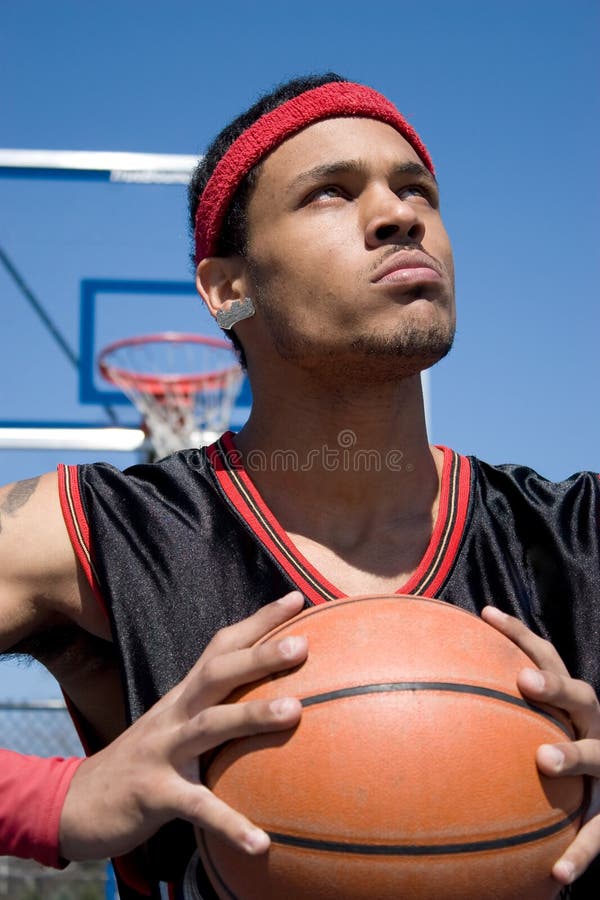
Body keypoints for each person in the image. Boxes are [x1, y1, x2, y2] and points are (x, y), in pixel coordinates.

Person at [1, 73, 599, 899]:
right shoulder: (98, 531)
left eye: (417, 189)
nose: (399, 215)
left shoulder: (575, 534)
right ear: (228, 290)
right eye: (330, 192)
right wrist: (57, 799)